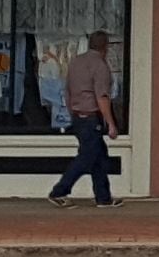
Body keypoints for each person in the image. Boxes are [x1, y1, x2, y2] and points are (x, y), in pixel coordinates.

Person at [49, 31, 120, 206]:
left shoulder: (76, 62)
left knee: (99, 156)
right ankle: (59, 192)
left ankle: (103, 198)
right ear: (106, 47)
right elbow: (102, 96)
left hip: (78, 116)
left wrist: (73, 112)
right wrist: (111, 124)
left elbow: (67, 91)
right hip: (91, 117)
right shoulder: (100, 66)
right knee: (87, 157)